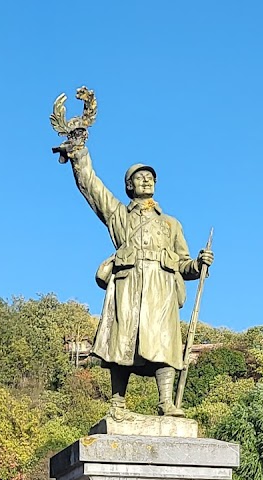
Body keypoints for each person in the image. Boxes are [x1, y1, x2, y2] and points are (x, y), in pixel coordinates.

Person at [65, 146, 213, 417]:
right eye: (139, 177)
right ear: (128, 186)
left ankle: (166, 403)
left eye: (151, 177)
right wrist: (79, 154)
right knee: (122, 341)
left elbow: (183, 263)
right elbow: (90, 185)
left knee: (165, 343)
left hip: (162, 290)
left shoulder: (171, 224)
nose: (146, 180)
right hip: (128, 286)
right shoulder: (118, 215)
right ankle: (117, 403)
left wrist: (199, 264)